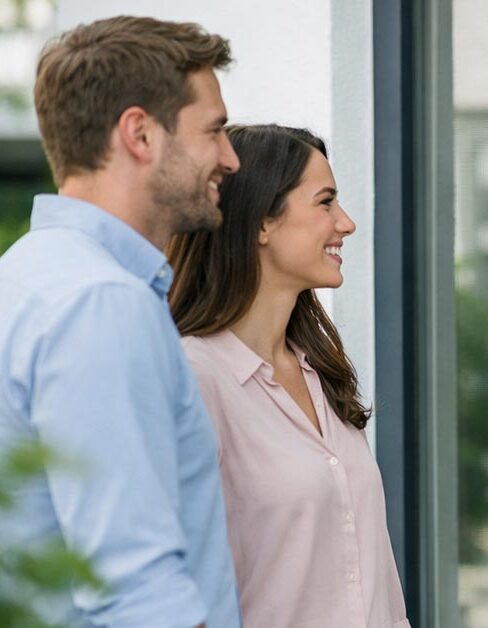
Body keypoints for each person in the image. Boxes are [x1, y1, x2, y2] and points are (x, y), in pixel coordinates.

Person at [0, 16, 241, 628]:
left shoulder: (26, 276)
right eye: (214, 130)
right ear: (140, 134)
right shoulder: (102, 303)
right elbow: (137, 592)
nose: (231, 159)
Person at [168, 124, 410, 628]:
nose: (346, 223)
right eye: (325, 202)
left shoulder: (320, 371)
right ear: (261, 222)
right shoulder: (196, 379)